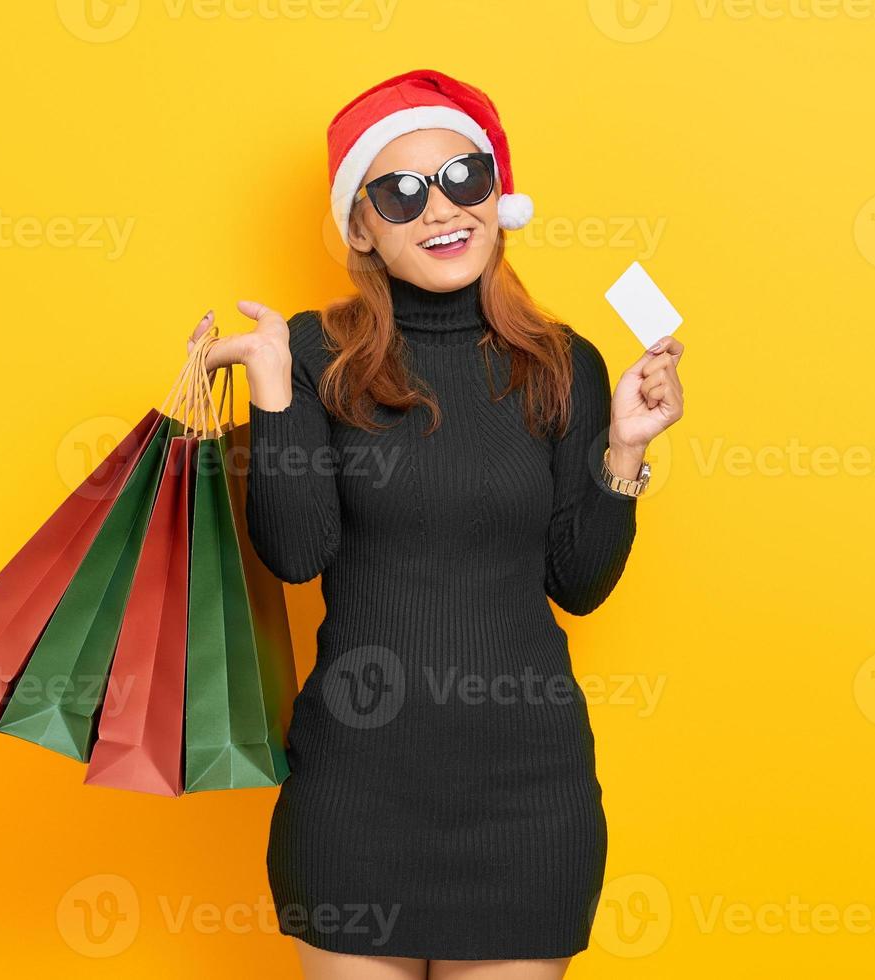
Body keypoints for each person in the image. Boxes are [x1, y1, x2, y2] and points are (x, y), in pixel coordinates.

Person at [189, 69, 684, 980]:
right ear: (361, 227)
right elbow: (297, 556)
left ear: (501, 198)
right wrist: (270, 392)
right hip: (356, 791)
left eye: (464, 178)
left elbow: (579, 584)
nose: (440, 209)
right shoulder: (310, 353)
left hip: (526, 797)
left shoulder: (562, 362)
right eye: (401, 193)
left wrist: (622, 453)